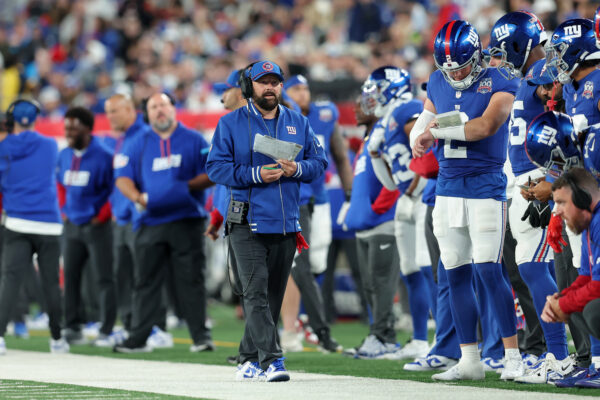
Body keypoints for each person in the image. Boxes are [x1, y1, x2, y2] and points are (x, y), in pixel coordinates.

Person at [411, 20, 522, 381]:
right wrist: (419, 135)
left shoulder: (501, 80)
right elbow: (423, 121)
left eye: (461, 64)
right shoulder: (439, 78)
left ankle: (512, 357)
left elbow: (484, 127)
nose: (455, 73)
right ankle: (469, 359)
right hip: (447, 189)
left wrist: (433, 133)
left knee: (489, 270)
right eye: (449, 66)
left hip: (486, 185)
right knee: (454, 272)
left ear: (476, 55)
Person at [206, 60, 327, 382]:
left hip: (287, 222)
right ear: (250, 87)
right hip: (246, 221)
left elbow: (319, 162)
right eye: (263, 82)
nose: (270, 87)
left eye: (275, 82)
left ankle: (247, 359)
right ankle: (272, 361)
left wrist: (296, 169)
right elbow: (215, 169)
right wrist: (254, 174)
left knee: (271, 297)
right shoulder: (230, 124)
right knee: (255, 293)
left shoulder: (297, 121)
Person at [489, 11, 571, 380]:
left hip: (537, 179)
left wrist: (554, 177)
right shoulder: (530, 75)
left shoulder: (546, 72)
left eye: (505, 52)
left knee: (539, 268)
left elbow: (568, 116)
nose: (501, 60)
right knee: (529, 267)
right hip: (524, 180)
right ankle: (556, 354)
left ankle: (560, 355)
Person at [113, 92, 214, 354]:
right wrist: (138, 198)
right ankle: (138, 338)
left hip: (187, 219)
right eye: (153, 106)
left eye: (163, 105)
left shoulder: (193, 139)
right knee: (145, 282)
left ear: (173, 109)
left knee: (191, 280)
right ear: (147, 113)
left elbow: (212, 171)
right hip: (151, 221)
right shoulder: (138, 142)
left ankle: (201, 337)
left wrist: (182, 189)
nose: (159, 110)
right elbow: (122, 177)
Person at [364, 65, 436, 360]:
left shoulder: (406, 107)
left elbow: (427, 145)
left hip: (420, 195)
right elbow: (385, 168)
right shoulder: (384, 121)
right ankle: (419, 340)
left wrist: (416, 183)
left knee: (426, 265)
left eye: (377, 90)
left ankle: (443, 338)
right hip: (405, 197)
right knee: (410, 269)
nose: (372, 97)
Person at [279, 74, 352, 353]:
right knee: (302, 266)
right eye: (295, 89)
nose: (302, 94)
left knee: (316, 266)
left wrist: (348, 193)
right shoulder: (282, 117)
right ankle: (312, 328)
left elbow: (340, 155)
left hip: (318, 200)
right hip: (295, 199)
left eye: (304, 89)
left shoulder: (324, 115)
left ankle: (307, 322)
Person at [0, 99, 68, 355]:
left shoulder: (3, 147)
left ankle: (0, 337)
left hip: (17, 221)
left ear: (10, 119)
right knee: (51, 282)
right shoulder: (50, 145)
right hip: (49, 223)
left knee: (10, 281)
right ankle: (57, 339)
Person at [342, 94, 401, 359]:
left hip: (382, 222)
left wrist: (379, 207)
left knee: (381, 283)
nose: (356, 109)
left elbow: (397, 172)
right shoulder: (368, 138)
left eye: (361, 105)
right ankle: (378, 335)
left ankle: (384, 337)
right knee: (369, 284)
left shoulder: (382, 135)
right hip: (365, 224)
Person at [57, 106, 117, 347]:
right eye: (66, 127)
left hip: (97, 226)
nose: (68, 132)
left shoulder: (104, 154)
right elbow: (59, 184)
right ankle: (72, 326)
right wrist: (64, 210)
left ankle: (106, 328)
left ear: (87, 128)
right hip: (71, 225)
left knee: (103, 278)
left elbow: (114, 188)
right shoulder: (63, 155)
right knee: (70, 277)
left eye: (73, 127)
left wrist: (101, 215)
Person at [103, 93, 151, 343]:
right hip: (120, 218)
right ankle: (131, 324)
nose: (110, 117)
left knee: (144, 275)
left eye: (114, 111)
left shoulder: (144, 136)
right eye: (108, 111)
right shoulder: (121, 139)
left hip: (138, 217)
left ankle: (152, 327)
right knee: (122, 276)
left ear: (130, 110)